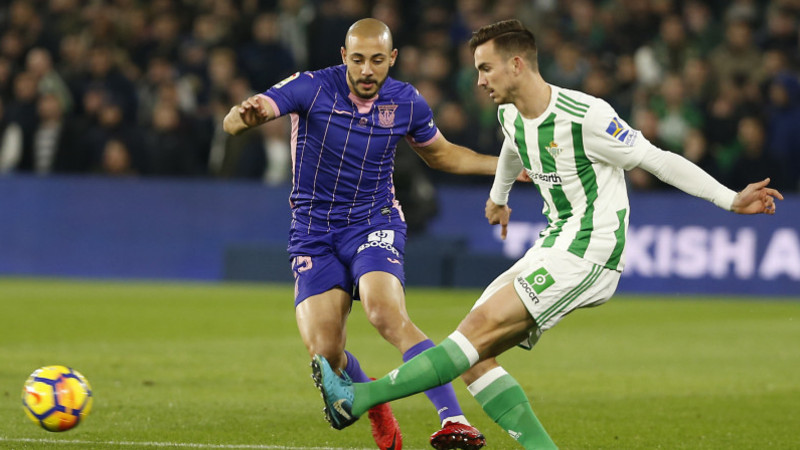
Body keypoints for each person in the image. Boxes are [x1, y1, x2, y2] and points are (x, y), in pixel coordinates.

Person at [310, 19, 784, 449]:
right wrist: (499, 197)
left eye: (486, 68)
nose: (479, 81)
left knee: (473, 332)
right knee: (475, 357)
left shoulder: (587, 116)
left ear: (517, 65)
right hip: (554, 243)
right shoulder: (510, 114)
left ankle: (360, 398)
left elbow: (657, 159)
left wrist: (729, 199)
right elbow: (513, 148)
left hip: (590, 249)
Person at [223, 18, 495, 450]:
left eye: (377, 60)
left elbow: (443, 156)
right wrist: (244, 117)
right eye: (358, 60)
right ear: (343, 57)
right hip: (313, 232)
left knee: (385, 313)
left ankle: (453, 419)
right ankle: (374, 402)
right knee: (325, 356)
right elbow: (237, 121)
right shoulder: (311, 87)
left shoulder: (406, 101)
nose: (367, 70)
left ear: (393, 58)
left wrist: (503, 166)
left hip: (374, 222)